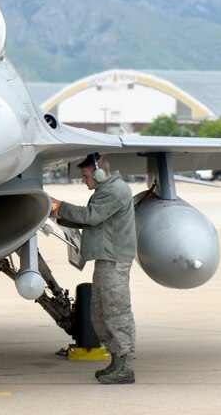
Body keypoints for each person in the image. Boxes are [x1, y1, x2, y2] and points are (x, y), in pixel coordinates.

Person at [50, 153, 137, 384]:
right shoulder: (105, 192)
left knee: (116, 312)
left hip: (114, 261)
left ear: (100, 173)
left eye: (85, 175)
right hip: (105, 259)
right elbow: (88, 219)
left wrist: (58, 207)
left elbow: (91, 216)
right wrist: (57, 213)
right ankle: (116, 362)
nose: (83, 180)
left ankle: (125, 366)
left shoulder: (115, 191)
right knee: (99, 314)